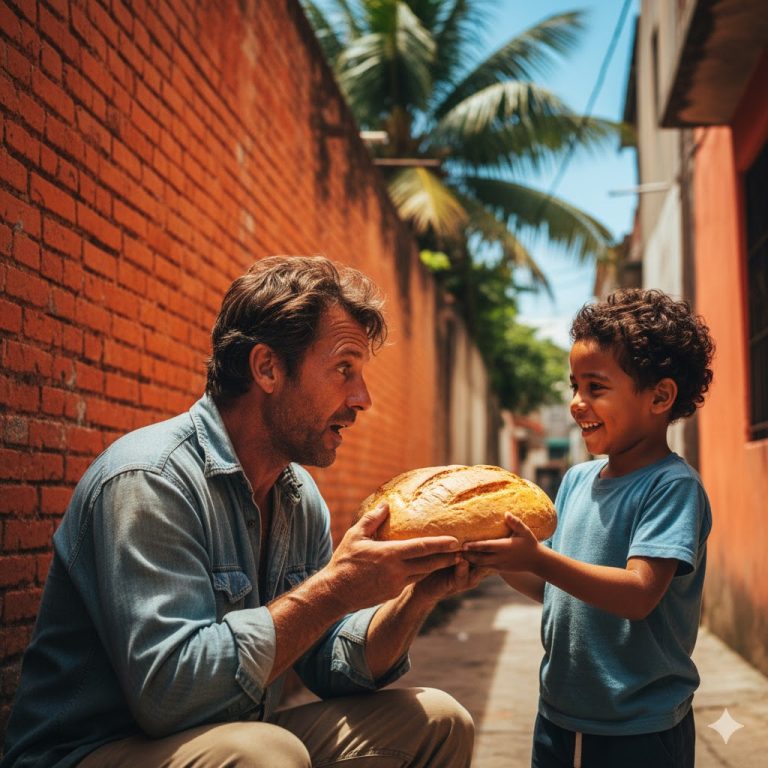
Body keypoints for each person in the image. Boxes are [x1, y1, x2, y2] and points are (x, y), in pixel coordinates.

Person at [2, 255, 482, 768]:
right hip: (90, 751)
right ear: (268, 368)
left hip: (233, 737)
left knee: (438, 721)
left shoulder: (299, 498)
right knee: (263, 754)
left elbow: (329, 667)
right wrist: (336, 588)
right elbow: (169, 697)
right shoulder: (150, 480)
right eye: (344, 369)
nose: (362, 398)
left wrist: (414, 597)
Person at [463, 288, 715, 768]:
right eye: (574, 385)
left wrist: (537, 556)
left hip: (642, 727)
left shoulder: (671, 487)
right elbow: (553, 586)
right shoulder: (576, 480)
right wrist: (498, 560)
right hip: (558, 714)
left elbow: (638, 595)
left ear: (660, 396)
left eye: (595, 388)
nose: (578, 403)